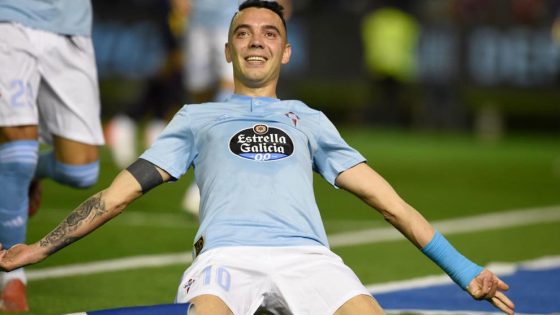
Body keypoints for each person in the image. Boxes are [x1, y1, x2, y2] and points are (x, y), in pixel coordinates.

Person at [0, 1, 515, 315]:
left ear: (285, 52)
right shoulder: (194, 118)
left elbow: (390, 204)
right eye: (243, 33)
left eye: (270, 34)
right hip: (225, 260)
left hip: (310, 260)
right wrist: (39, 250)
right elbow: (116, 197)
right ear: (227, 51)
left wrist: (466, 270)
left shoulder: (309, 119)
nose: (256, 42)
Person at [0, 0, 104, 312]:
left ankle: (31, 172)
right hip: (9, 18)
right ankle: (12, 277)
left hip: (70, 23)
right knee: (18, 152)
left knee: (81, 170)